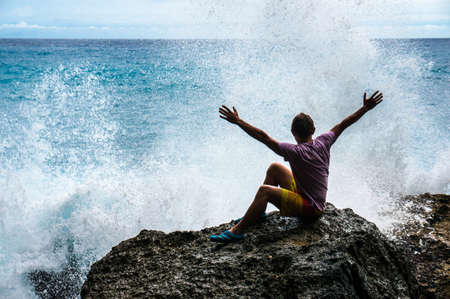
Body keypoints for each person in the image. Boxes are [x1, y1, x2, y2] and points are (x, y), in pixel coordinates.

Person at [210, 91, 383, 243]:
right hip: (306, 196)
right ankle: (259, 212)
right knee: (274, 168)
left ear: (293, 133)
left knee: (265, 191)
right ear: (313, 129)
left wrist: (239, 121)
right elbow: (342, 124)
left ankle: (237, 231)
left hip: (311, 208)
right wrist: (365, 108)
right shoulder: (324, 141)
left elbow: (263, 137)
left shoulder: (294, 151)